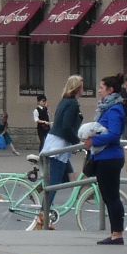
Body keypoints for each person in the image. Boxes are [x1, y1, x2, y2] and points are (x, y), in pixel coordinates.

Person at [84, 74, 127, 245]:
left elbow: (115, 134)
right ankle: (115, 232)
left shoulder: (114, 109)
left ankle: (117, 234)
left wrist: (93, 141)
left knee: (112, 196)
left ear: (110, 90)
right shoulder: (106, 108)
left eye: (102, 87)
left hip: (110, 158)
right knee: (109, 196)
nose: (99, 90)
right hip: (104, 157)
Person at [37, 75, 84, 230]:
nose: (83, 89)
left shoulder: (64, 101)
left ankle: (82, 194)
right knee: (54, 184)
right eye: (82, 86)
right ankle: (42, 217)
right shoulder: (72, 104)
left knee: (70, 177)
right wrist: (77, 142)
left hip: (56, 143)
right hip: (58, 147)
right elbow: (65, 127)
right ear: (78, 88)